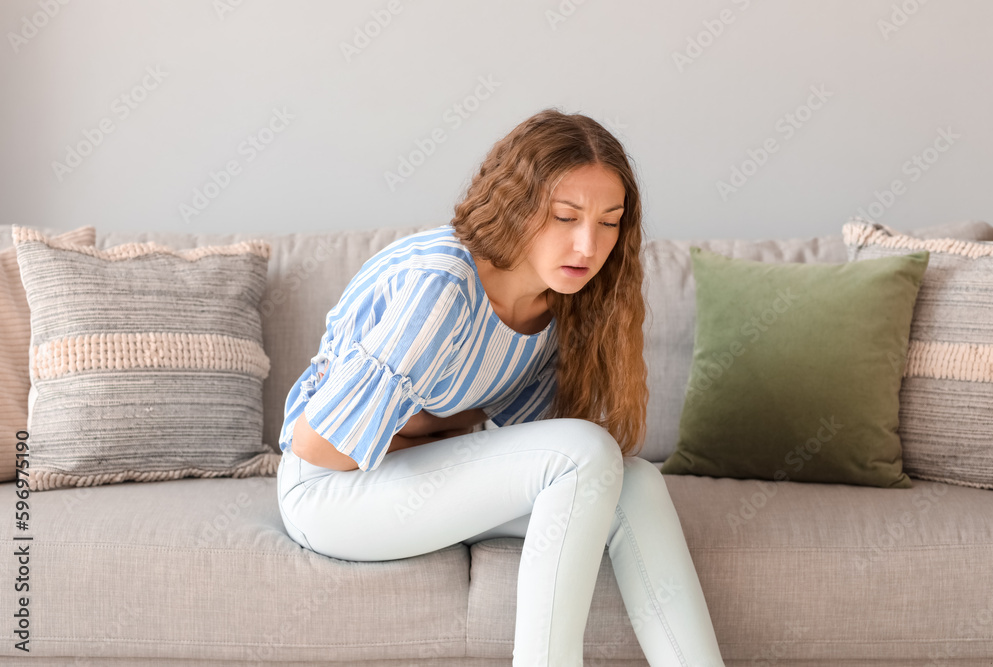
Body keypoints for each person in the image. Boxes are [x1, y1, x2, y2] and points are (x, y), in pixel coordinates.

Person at [275, 108, 726, 667]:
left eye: (609, 222)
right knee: (585, 452)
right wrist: (446, 432)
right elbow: (316, 447)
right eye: (566, 216)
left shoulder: (560, 305)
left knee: (634, 482)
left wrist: (438, 432)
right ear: (517, 206)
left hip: (403, 476)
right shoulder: (443, 287)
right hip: (328, 493)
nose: (588, 245)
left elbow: (536, 448)